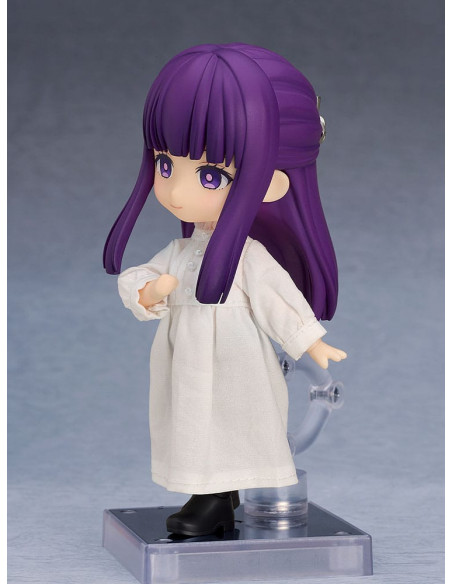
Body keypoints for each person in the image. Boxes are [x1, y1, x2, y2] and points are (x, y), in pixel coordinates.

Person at [103, 43, 347, 537]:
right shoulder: (181, 250)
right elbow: (139, 278)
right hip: (186, 360)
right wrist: (149, 292)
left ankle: (213, 500)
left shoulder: (248, 257)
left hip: (236, 363)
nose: (174, 190)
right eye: (165, 165)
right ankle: (216, 496)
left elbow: (277, 297)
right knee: (192, 426)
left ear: (271, 182)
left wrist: (309, 340)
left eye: (210, 175)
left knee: (230, 425)